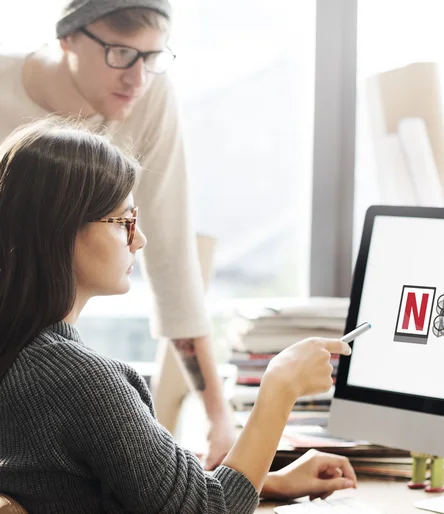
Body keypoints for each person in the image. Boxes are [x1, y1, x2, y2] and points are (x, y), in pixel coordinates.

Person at [0, 118, 357, 513]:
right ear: (61, 231)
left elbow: (99, 488)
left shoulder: (22, 356)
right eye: (124, 222)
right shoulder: (78, 381)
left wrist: (266, 482)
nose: (140, 240)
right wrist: (280, 388)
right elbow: (208, 509)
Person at [0, 0, 236, 468]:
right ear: (67, 37)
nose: (138, 78)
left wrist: (218, 418)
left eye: (153, 57)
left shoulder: (150, 95)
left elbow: (170, 257)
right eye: (121, 53)